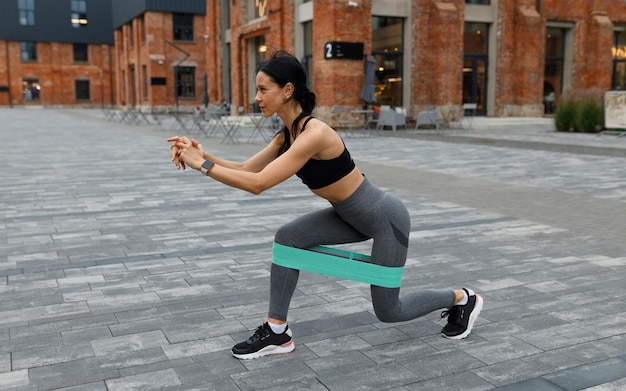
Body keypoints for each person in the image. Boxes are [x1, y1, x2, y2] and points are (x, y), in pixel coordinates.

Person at [167, 50, 483, 360]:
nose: (257, 97)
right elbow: (248, 169)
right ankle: (277, 331)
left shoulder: (314, 133)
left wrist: (201, 166)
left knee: (389, 310)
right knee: (287, 238)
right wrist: (202, 154)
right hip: (348, 215)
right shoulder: (286, 135)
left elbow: (258, 184)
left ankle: (462, 298)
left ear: (287, 90)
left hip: (385, 219)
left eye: (263, 89)